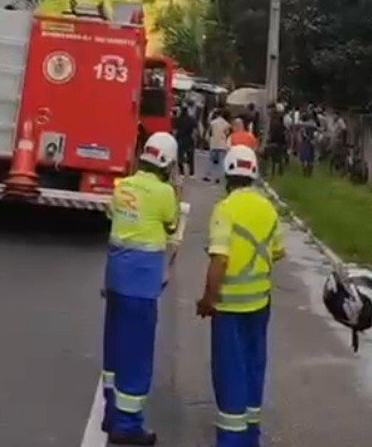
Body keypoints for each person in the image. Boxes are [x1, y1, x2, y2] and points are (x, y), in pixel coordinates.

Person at [196, 145, 284, 447]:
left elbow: (219, 260)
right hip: (260, 303)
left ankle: (231, 441)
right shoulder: (268, 208)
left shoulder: (226, 209)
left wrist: (208, 299)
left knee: (229, 371)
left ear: (228, 173)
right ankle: (250, 437)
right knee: (253, 366)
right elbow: (278, 252)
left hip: (230, 306)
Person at [102, 132, 182, 445]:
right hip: (141, 284)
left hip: (116, 279)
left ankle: (112, 413)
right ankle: (128, 425)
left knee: (116, 346)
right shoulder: (164, 193)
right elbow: (172, 226)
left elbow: (113, 217)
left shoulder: (124, 185)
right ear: (167, 163)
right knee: (137, 355)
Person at [207, 109, 232, 184]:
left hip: (214, 143)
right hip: (222, 144)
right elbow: (227, 134)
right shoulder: (227, 124)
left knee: (212, 161)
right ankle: (218, 178)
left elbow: (210, 132)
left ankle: (208, 175)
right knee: (221, 162)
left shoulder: (213, 122)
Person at [174, 105, 196, 178]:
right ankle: (191, 173)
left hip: (180, 139)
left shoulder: (178, 119)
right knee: (190, 156)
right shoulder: (191, 119)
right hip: (189, 140)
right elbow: (195, 131)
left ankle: (182, 173)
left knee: (180, 156)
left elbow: (175, 130)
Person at [265, 108, 287, 178]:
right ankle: (280, 172)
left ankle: (273, 173)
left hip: (274, 141)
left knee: (273, 158)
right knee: (279, 158)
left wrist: (269, 139)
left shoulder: (273, 122)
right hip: (280, 141)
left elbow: (271, 132)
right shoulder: (279, 122)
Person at [297, 111, 317, 177]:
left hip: (305, 142)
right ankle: (309, 173)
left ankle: (305, 173)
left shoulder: (303, 124)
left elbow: (303, 134)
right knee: (311, 159)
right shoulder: (313, 123)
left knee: (304, 159)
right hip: (312, 141)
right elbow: (316, 132)